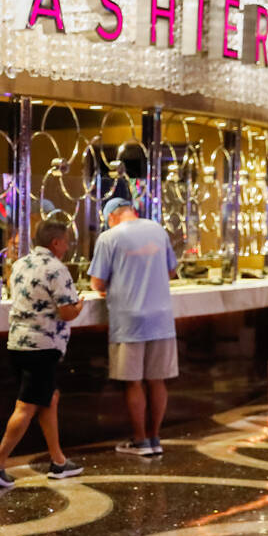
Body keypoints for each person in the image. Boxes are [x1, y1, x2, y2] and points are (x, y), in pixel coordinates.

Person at [0, 221, 85, 486]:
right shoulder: (56, 268)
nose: (67, 245)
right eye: (65, 241)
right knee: (27, 405)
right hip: (43, 346)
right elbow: (66, 311)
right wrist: (79, 307)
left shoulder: (20, 264)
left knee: (48, 398)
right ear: (56, 243)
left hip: (18, 343)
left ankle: (59, 461)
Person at [89, 195, 178, 456]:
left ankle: (140, 441)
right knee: (157, 380)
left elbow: (97, 283)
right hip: (162, 318)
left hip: (128, 320)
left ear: (113, 217)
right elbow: (172, 271)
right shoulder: (158, 230)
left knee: (134, 382)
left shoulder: (109, 238)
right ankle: (155, 437)